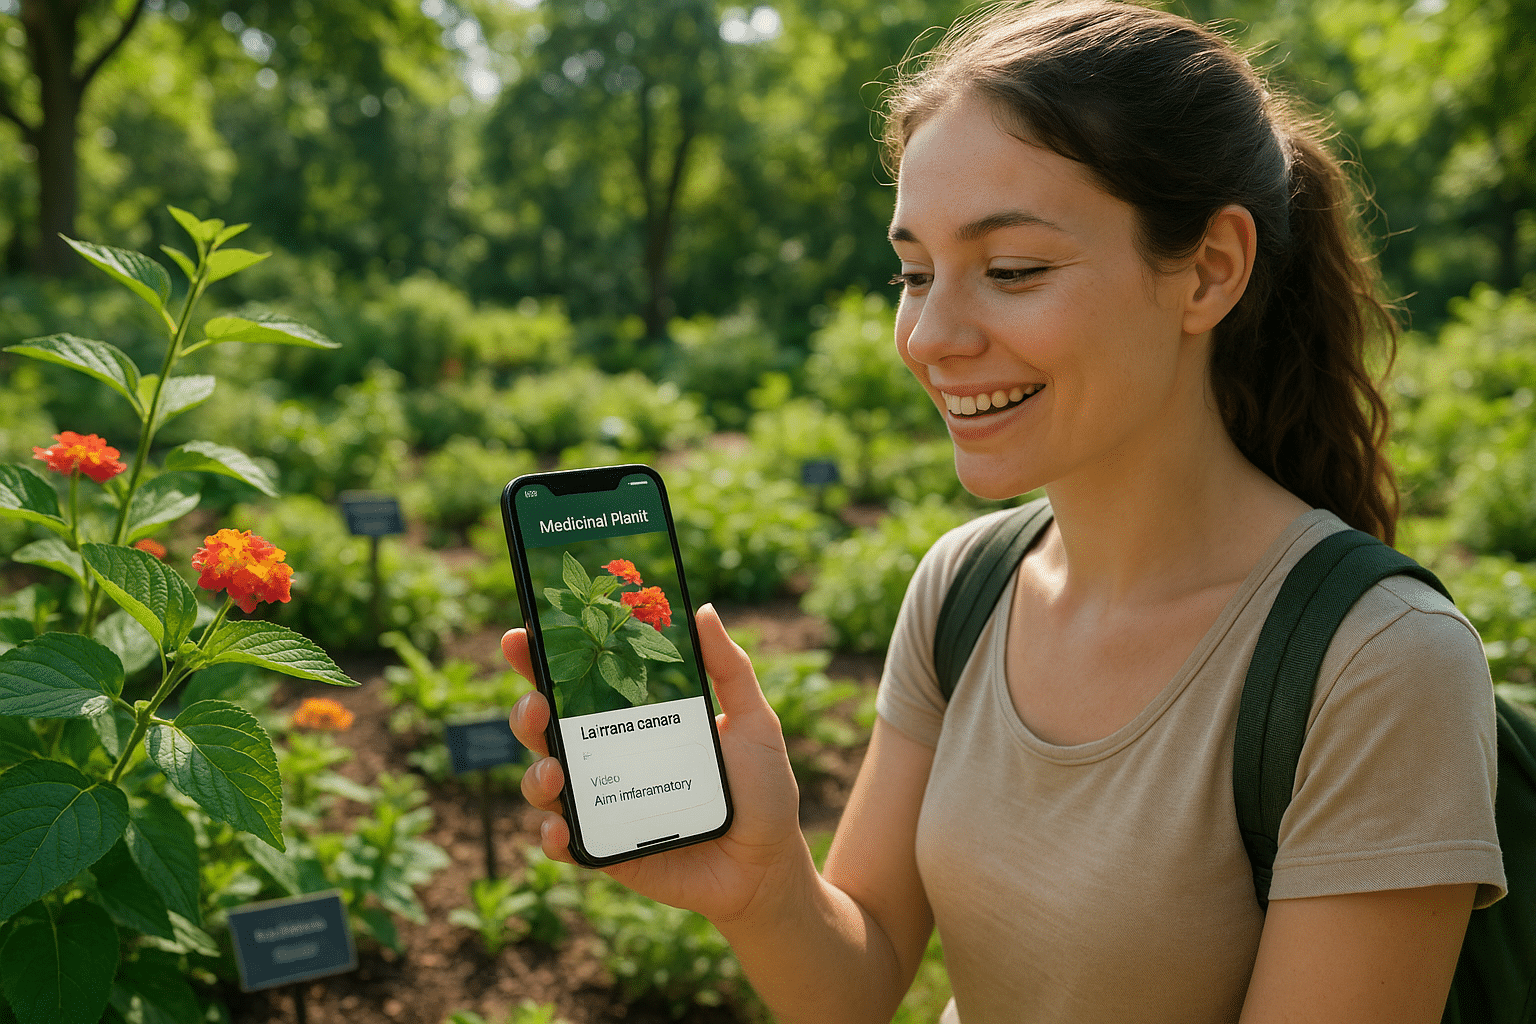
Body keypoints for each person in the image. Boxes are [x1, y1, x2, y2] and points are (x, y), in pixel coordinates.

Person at [503, 2, 1506, 1021]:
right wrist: (765, 888)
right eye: (914, 273)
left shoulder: (1381, 665)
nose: (929, 336)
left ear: (1210, 270)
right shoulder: (965, 584)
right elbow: (858, 978)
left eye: (1012, 271)